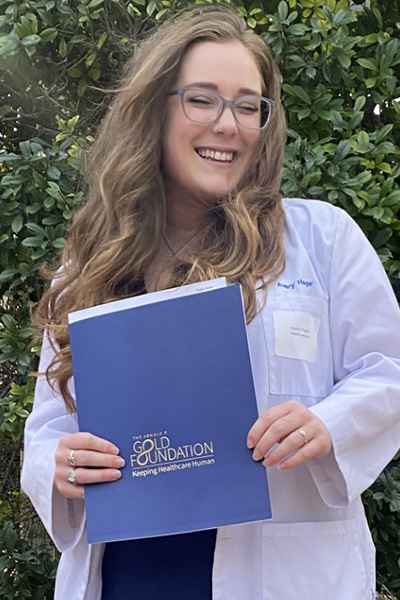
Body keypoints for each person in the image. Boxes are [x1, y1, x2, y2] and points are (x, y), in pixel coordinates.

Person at [21, 5, 400, 600]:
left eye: (248, 105)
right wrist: (59, 464)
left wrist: (328, 423)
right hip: (132, 574)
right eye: (202, 99)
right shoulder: (93, 265)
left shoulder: (323, 239)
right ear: (155, 110)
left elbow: (390, 371)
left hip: (280, 573)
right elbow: (48, 426)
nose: (228, 124)